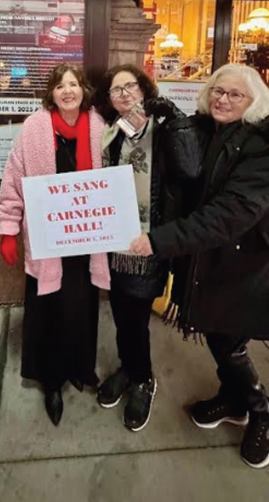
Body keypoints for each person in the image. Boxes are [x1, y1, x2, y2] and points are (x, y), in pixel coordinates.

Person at [130, 63, 269, 468]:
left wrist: (158, 241)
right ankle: (235, 398)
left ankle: (262, 409)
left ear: (255, 103)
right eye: (217, 90)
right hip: (215, 255)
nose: (222, 99)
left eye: (235, 94)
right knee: (218, 332)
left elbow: (228, 215)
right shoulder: (210, 130)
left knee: (228, 339)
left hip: (247, 259)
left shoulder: (265, 147)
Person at [0, 64, 110, 426]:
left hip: (86, 235)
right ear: (51, 93)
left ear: (83, 89)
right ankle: (52, 380)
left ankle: (80, 367)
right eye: (60, 85)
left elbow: (115, 177)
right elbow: (14, 176)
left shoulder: (98, 126)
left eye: (73, 83)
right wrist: (9, 227)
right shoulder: (34, 128)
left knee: (82, 306)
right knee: (49, 309)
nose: (67, 90)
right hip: (47, 238)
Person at [94, 64, 184, 432]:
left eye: (130, 86)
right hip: (116, 242)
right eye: (116, 90)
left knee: (135, 316)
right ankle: (129, 368)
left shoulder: (164, 132)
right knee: (121, 312)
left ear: (145, 89)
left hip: (149, 241)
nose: (124, 94)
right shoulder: (112, 135)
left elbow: (190, 169)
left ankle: (143, 378)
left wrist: (174, 116)